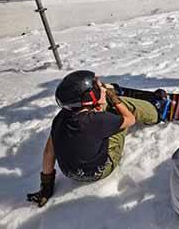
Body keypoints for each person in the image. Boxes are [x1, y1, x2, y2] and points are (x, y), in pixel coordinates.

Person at [26, 70, 165, 207]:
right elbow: (130, 120)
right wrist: (115, 99)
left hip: (71, 173)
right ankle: (156, 110)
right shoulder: (98, 120)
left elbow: (49, 153)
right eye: (99, 89)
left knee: (97, 123)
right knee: (120, 108)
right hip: (101, 170)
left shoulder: (60, 119)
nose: (102, 89)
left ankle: (113, 97)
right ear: (90, 99)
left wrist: (46, 187)